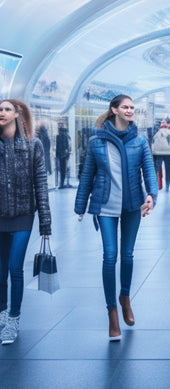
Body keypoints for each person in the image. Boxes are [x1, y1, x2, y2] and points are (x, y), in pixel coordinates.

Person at [74, 94, 158, 341]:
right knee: (110, 256)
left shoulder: (139, 141)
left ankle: (125, 297)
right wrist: (81, 205)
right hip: (105, 206)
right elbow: (87, 175)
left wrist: (152, 195)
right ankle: (112, 311)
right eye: (125, 107)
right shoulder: (96, 141)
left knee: (128, 255)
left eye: (132, 107)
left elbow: (149, 170)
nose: (130, 110)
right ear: (114, 110)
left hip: (133, 204)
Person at [0, 99, 52, 345]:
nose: (2, 112)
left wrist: (45, 224)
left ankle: (13, 319)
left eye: (6, 109)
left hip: (22, 214)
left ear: (17, 113)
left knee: (14, 268)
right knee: (0, 271)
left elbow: (40, 184)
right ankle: (2, 314)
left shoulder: (33, 145)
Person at [151, 119, 170, 191]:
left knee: (157, 169)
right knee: (168, 169)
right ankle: (167, 185)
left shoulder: (157, 132)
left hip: (158, 153)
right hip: (168, 153)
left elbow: (153, 140)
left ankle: (154, 184)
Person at [55, 121, 71, 187]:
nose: (61, 125)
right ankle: (62, 183)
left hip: (63, 155)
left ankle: (62, 183)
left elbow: (65, 145)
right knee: (63, 169)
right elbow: (63, 145)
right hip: (63, 155)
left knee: (63, 169)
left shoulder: (63, 135)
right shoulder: (63, 135)